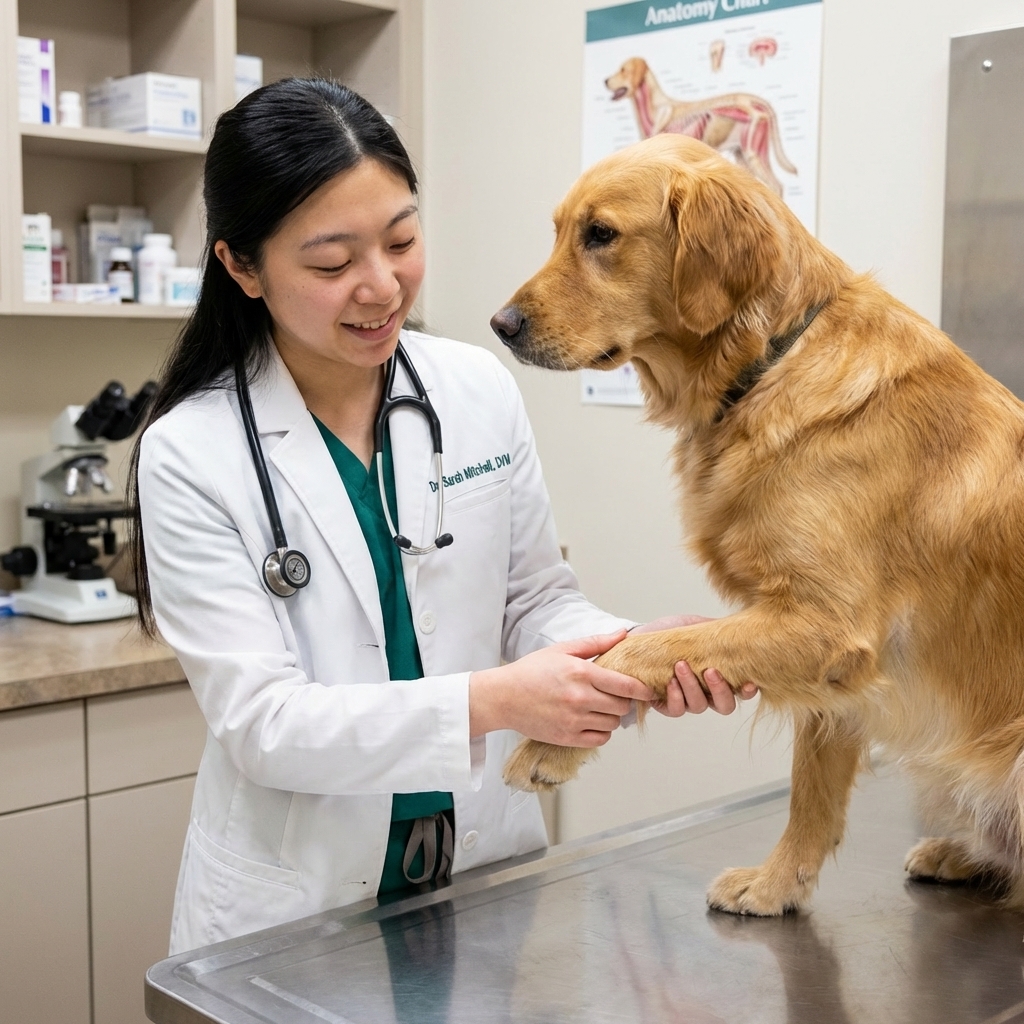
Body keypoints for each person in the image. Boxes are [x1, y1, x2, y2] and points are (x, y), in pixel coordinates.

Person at [130, 78, 755, 955]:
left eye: (402, 239)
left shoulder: (472, 388)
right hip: (293, 908)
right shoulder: (191, 452)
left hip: (483, 876)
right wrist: (499, 700)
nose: (382, 286)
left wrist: (635, 654)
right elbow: (264, 726)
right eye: (330, 263)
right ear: (241, 266)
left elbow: (534, 598)